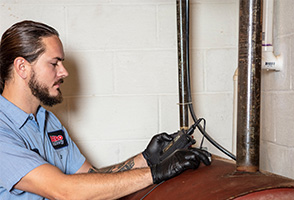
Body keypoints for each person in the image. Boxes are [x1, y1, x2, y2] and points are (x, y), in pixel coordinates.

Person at [0, 20, 211, 199]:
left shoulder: (47, 120)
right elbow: (64, 190)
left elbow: (88, 177)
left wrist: (145, 159)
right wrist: (156, 173)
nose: (64, 72)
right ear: (22, 67)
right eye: (54, 63)